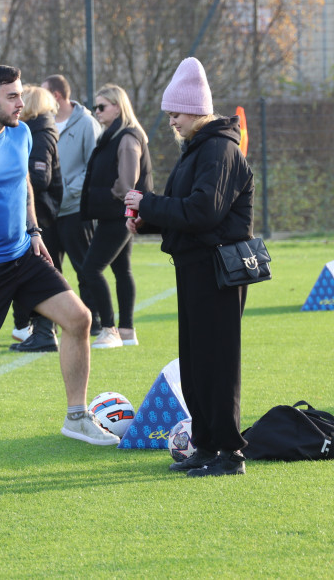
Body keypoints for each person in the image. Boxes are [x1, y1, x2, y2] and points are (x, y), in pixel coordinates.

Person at [0, 65, 119, 478]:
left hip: (24, 255)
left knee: (79, 318)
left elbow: (25, 185)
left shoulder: (21, 134)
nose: (22, 102)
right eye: (13, 96)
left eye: (21, 94)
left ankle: (76, 417)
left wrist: (34, 230)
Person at [124, 57, 254, 477]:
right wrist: (147, 220)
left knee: (217, 363)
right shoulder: (198, 148)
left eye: (176, 113)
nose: (172, 122)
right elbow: (185, 209)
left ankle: (229, 454)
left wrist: (149, 204)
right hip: (196, 267)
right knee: (196, 362)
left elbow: (203, 211)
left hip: (217, 271)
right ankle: (206, 444)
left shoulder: (219, 149)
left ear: (196, 109)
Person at [79, 84, 153, 348]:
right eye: (95, 107)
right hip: (118, 213)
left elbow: (126, 184)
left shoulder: (127, 137)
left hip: (119, 214)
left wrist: (107, 197)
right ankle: (126, 331)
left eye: (102, 106)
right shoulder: (114, 136)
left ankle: (110, 329)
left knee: (91, 269)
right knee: (121, 269)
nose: (97, 111)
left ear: (118, 107)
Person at [41, 75, 103, 337]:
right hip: (48, 212)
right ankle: (48, 327)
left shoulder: (87, 123)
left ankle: (94, 321)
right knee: (48, 271)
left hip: (76, 210)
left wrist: (67, 191)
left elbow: (95, 166)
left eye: (43, 93)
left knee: (84, 268)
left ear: (56, 96)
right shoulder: (42, 124)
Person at [8, 85, 63, 353]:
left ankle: (44, 331)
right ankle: (37, 329)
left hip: (41, 215)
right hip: (40, 214)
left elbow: (40, 178)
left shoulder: (40, 134)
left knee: (40, 273)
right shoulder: (35, 131)